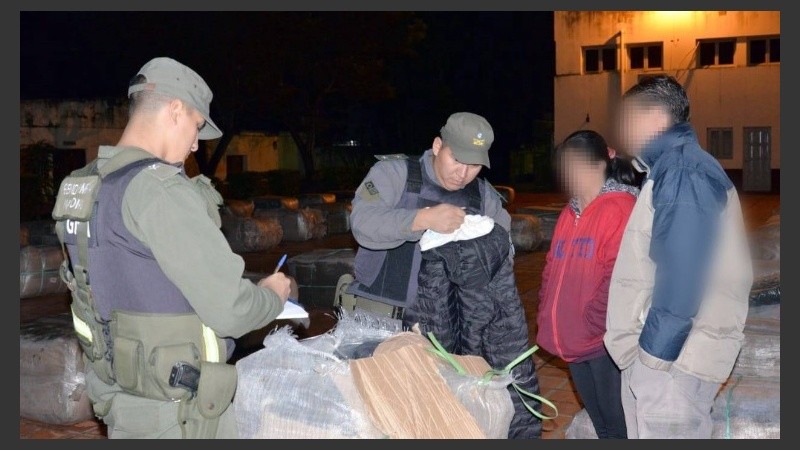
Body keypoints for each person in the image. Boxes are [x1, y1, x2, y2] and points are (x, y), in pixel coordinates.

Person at [51, 57, 292, 439]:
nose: (197, 144)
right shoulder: (158, 190)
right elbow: (231, 309)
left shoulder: (82, 186)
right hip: (178, 414)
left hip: (122, 401)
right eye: (197, 127)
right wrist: (273, 295)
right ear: (175, 109)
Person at [348, 112, 542, 439]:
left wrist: (478, 248)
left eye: (474, 165)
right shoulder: (394, 175)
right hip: (381, 327)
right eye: (457, 159)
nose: (463, 173)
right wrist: (422, 219)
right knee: (379, 424)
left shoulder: (483, 197)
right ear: (438, 146)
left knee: (442, 424)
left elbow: (502, 253)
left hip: (447, 337)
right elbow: (363, 225)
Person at [604, 75, 753, 439]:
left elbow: (682, 275)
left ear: (655, 118)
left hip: (672, 362)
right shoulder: (670, 169)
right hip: (670, 358)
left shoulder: (683, 171)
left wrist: (651, 360)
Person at [537, 130, 637, 439]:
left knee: (616, 423)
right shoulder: (570, 212)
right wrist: (546, 311)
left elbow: (620, 276)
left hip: (601, 342)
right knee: (600, 420)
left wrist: (592, 321)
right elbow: (552, 266)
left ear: (598, 166)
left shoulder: (619, 208)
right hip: (573, 339)